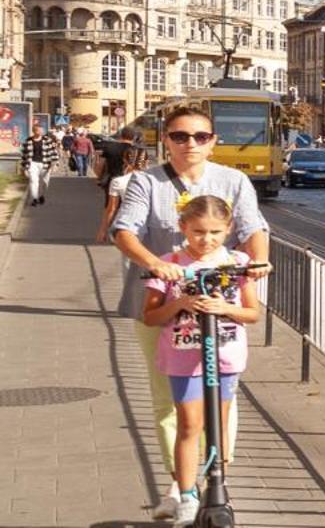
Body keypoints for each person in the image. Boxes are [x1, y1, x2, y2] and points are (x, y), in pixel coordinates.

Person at [111, 101, 270, 522]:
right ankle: (181, 487)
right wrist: (156, 263)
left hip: (219, 306)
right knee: (169, 401)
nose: (190, 144)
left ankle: (213, 476)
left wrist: (257, 264)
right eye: (180, 136)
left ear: (213, 142)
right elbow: (123, 230)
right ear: (166, 140)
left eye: (200, 136)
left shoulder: (233, 180)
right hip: (164, 300)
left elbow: (255, 229)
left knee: (221, 403)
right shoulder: (146, 182)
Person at [142, 195, 261, 527]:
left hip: (224, 355)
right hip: (183, 357)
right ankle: (187, 494)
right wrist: (181, 302)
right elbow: (150, 316)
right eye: (197, 232)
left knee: (218, 425)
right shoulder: (170, 262)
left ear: (229, 229)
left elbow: (252, 313)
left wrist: (226, 309)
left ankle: (217, 488)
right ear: (183, 227)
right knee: (190, 425)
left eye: (214, 232)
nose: (206, 240)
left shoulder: (238, 262)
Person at [98, 144, 148, 245]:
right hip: (151, 227)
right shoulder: (154, 181)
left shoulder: (117, 182)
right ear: (146, 162)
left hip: (128, 227)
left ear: (124, 160)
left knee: (130, 258)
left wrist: (103, 230)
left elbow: (111, 209)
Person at [23, 121, 61, 205]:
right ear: (34, 131)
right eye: (38, 130)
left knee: (45, 182)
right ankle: (35, 198)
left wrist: (55, 164)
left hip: (46, 164)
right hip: (32, 163)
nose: (40, 132)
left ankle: (42, 195)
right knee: (33, 181)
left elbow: (54, 152)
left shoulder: (48, 140)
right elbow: (24, 155)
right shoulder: (28, 140)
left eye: (41, 131)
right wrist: (25, 168)